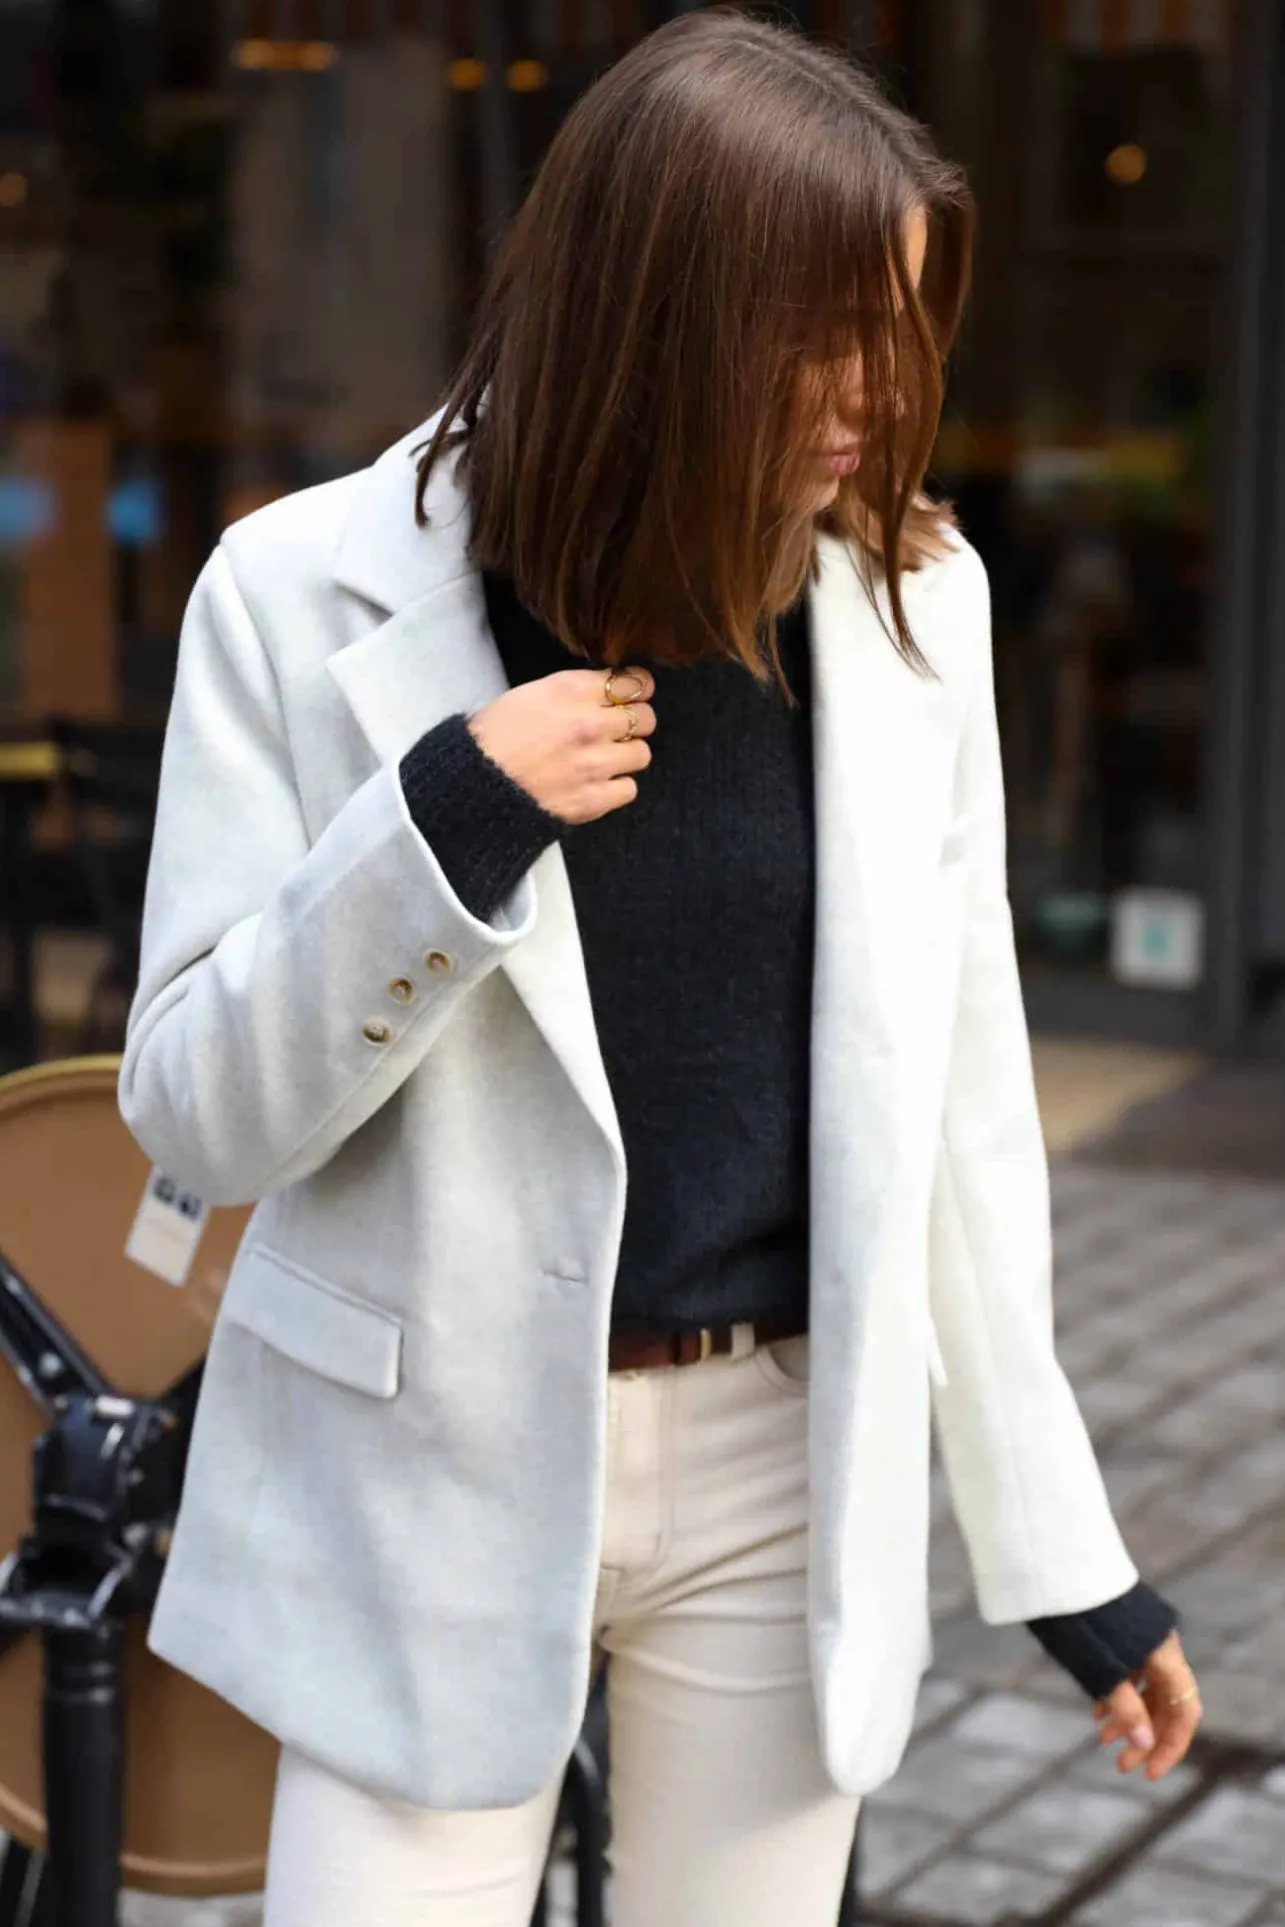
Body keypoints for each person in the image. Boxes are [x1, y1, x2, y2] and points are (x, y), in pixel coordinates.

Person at [117, 11, 1201, 1924]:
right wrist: (445, 821)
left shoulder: (911, 597)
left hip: (782, 1462)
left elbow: (960, 1107)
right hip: (420, 1467)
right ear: (657, 320)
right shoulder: (293, 594)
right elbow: (195, 1112)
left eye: (906, 323)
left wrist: (1066, 1560)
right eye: (830, 330)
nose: (886, 387)